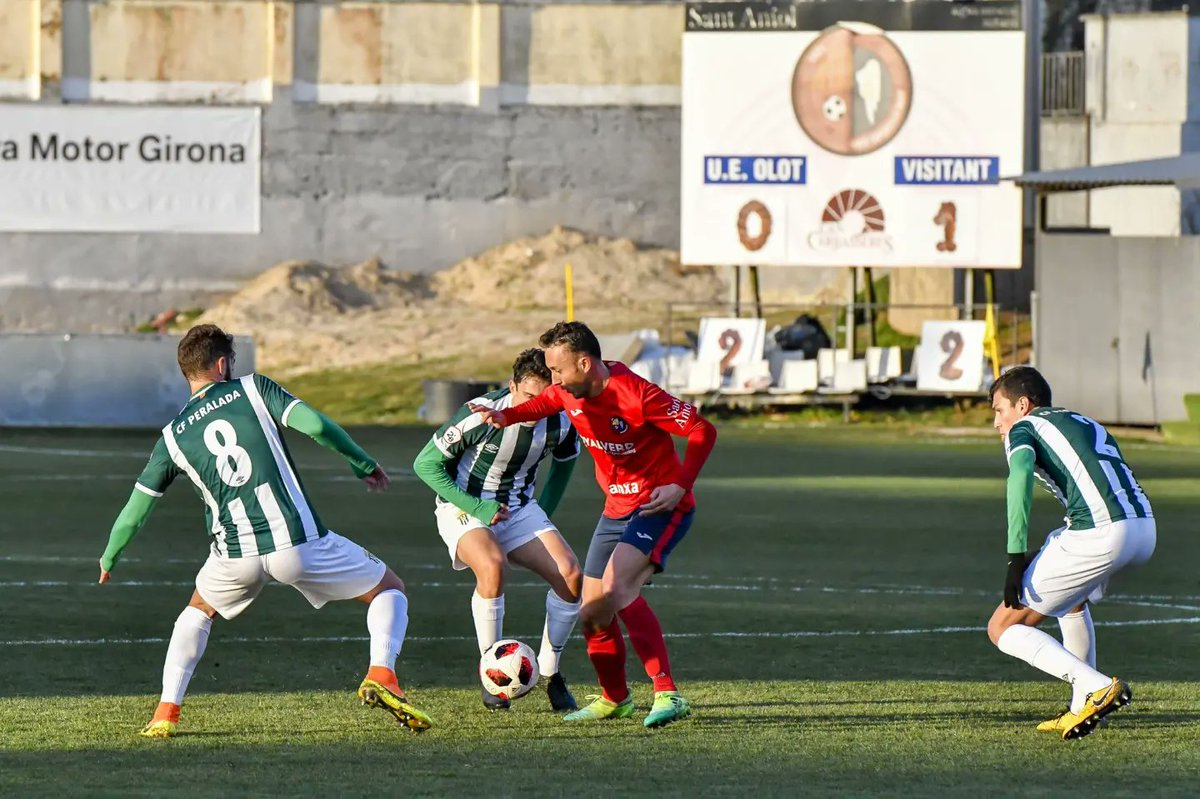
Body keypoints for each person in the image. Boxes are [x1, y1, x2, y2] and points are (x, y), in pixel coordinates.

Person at [97, 324, 431, 737]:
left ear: (187, 372)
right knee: (388, 589)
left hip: (234, 556)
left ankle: (166, 711)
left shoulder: (172, 436)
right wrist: (362, 462)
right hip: (297, 542)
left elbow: (137, 508)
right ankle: (382, 673)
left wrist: (110, 555)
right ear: (222, 364)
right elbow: (317, 426)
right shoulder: (254, 389)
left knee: (198, 610)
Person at [472, 321, 717, 729]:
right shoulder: (569, 391)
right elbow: (543, 403)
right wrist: (504, 414)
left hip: (659, 504)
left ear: (585, 363)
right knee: (590, 612)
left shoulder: (636, 394)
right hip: (615, 509)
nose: (554, 380)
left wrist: (679, 484)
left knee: (618, 589)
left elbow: (701, 429)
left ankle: (667, 692)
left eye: (558, 371)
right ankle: (615, 698)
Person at [986, 365, 1155, 740]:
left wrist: (1015, 555)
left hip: (1101, 533)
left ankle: (1095, 687)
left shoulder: (1023, 428)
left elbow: (1019, 479)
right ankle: (1083, 707)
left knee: (1002, 627)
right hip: (1144, 528)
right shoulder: (1080, 419)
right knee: (1070, 599)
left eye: (999, 410)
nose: (997, 422)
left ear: (1023, 404)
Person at [412, 349, 583, 712]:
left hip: (519, 508)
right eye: (529, 398)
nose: (538, 408)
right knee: (491, 566)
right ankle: (492, 675)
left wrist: (543, 515)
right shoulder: (480, 414)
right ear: (512, 387)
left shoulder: (563, 419)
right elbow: (425, 464)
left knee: (571, 575)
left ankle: (551, 675)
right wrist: (479, 507)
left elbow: (565, 464)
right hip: (464, 504)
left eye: (546, 399)